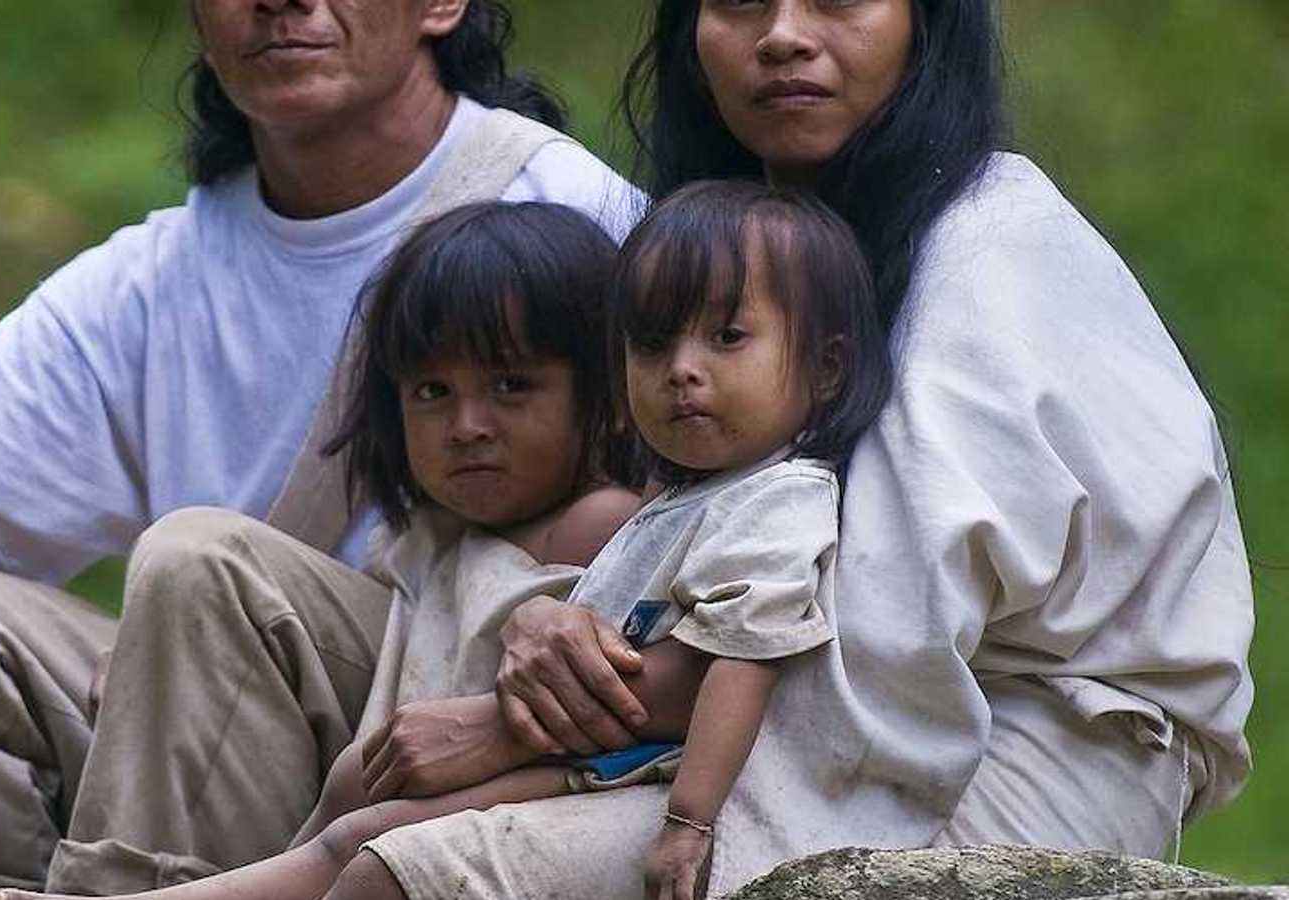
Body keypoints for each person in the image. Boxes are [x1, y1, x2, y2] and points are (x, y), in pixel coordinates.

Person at [0, 2, 641, 900]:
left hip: (445, 713)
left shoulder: (565, 208)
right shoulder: (158, 274)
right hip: (201, 725)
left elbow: (711, 519)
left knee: (199, 562)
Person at [353, 1, 1256, 898]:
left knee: (426, 870)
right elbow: (665, 533)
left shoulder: (990, 247)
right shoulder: (747, 238)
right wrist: (541, 618)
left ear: (926, 26)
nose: (781, 32)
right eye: (739, 1)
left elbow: (881, 636)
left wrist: (511, 732)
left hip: (1003, 741)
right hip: (747, 704)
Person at [0, 177, 891, 900]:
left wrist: (688, 824)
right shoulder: (594, 518)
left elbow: (705, 669)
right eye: (431, 393)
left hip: (615, 781)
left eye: (510, 386)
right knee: (347, 815)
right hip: (554, 772)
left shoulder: (691, 508)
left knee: (365, 841)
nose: (467, 426)